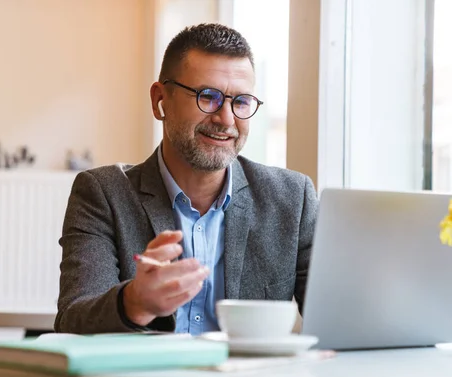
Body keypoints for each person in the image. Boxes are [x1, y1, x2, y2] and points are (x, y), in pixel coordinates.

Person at [54, 23, 318, 335]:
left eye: (241, 101)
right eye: (208, 97)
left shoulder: (292, 198)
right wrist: (133, 303)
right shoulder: (102, 194)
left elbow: (336, 318)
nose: (226, 119)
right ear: (159, 100)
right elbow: (73, 319)